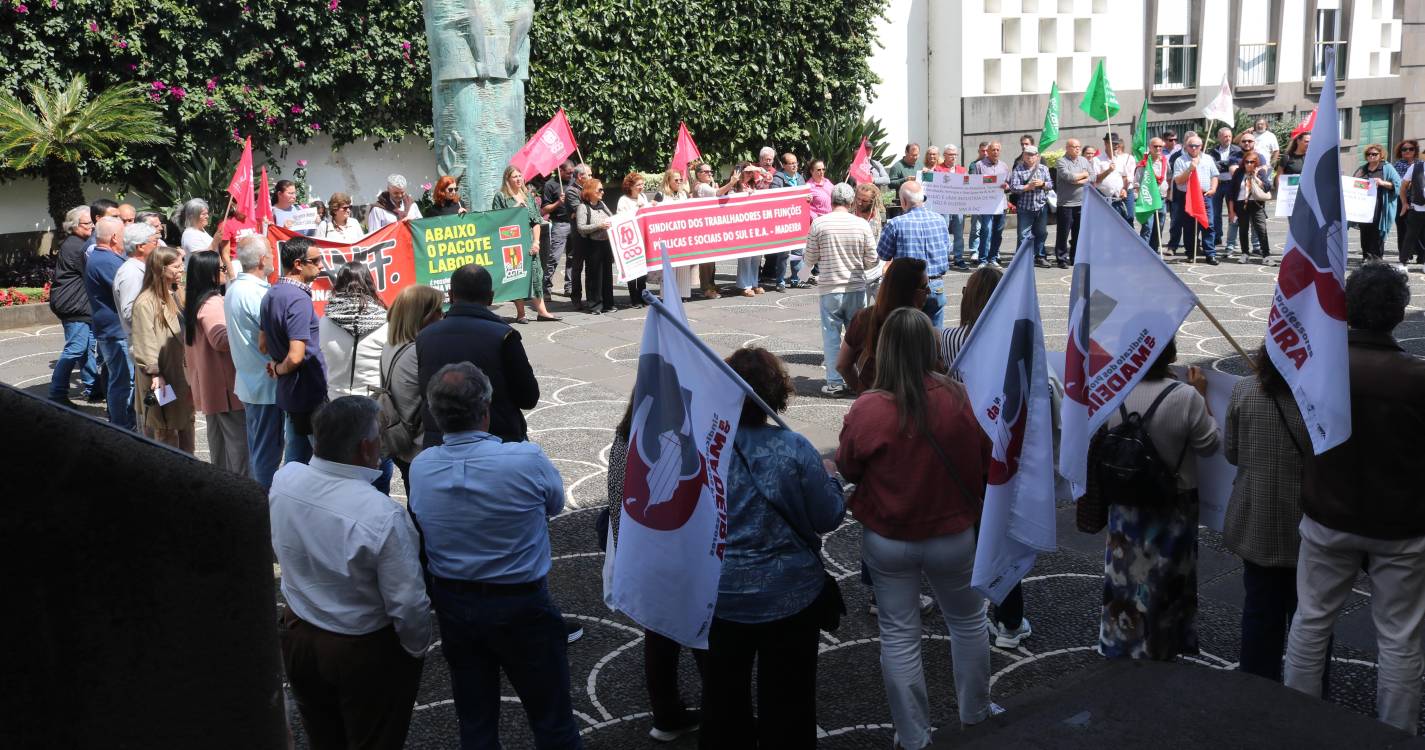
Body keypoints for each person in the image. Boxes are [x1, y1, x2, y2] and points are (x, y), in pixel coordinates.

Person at [837, 307, 995, 748]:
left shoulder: (869, 407)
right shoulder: (962, 398)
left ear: (885, 349)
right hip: (952, 533)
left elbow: (849, 466)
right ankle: (976, 712)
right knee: (968, 622)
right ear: (930, 346)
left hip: (888, 537)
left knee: (900, 635)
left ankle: (912, 737)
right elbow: (986, 462)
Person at [408, 363, 581, 749]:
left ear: (435, 414)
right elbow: (554, 505)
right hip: (522, 602)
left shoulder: (421, 467)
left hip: (454, 605)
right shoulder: (525, 459)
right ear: (485, 410)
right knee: (552, 718)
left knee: (476, 720)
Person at [1283, 264, 1425, 733]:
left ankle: (1294, 722)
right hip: (1401, 525)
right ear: (1401, 314)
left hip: (1329, 511)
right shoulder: (1415, 377)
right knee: (1400, 637)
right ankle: (1395, 733)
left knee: (1310, 621)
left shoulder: (1321, 368)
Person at [701, 347, 845, 749]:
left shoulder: (703, 450)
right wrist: (831, 477)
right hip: (791, 595)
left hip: (721, 595)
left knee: (724, 703)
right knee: (790, 703)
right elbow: (828, 516)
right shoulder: (794, 449)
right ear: (775, 392)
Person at [270, 396, 432, 749]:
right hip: (360, 649)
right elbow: (408, 604)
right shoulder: (382, 515)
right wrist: (413, 652)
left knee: (323, 737)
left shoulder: (285, 479)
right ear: (366, 447)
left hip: (298, 634)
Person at [1098, 338, 1220, 661]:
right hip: (1173, 506)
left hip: (1126, 506)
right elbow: (1210, 445)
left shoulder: (1112, 390)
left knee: (1125, 579)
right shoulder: (1186, 397)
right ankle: (1165, 648)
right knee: (1167, 583)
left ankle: (1123, 644)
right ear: (1171, 353)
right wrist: (1203, 397)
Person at [603, 399, 704, 742]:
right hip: (676, 555)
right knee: (703, 630)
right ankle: (722, 714)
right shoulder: (678, 445)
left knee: (660, 633)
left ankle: (666, 714)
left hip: (641, 554)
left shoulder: (624, 438)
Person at [1223, 345, 1311, 683]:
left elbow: (1231, 453)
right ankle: (1310, 696)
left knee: (1259, 610)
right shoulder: (1316, 400)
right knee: (1310, 617)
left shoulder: (1244, 390)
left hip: (1254, 518)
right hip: (1304, 526)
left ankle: (1256, 689)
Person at [415, 263, 539, 447]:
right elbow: (528, 397)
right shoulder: (504, 336)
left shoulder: (425, 336)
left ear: (450, 295)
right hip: (496, 441)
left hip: (441, 442)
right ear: (490, 298)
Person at [803, 183, 877, 397]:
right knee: (860, 338)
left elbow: (810, 258)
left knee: (831, 337)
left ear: (831, 200)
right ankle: (863, 379)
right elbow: (872, 260)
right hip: (856, 287)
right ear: (851, 201)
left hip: (829, 287)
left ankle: (835, 382)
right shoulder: (862, 225)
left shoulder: (819, 223)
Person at [259, 236, 328, 465]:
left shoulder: (271, 293)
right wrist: (279, 369)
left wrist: (278, 366)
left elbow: (263, 344)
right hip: (306, 391)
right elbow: (297, 356)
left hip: (292, 391)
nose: (322, 265)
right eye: (316, 260)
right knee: (322, 461)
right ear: (298, 264)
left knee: (297, 457)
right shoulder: (297, 299)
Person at [180, 250, 247, 474]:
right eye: (220, 268)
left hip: (212, 386)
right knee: (238, 448)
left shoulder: (197, 301)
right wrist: (247, 331)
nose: (225, 271)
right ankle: (240, 492)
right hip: (224, 388)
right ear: (208, 274)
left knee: (219, 446)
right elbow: (220, 339)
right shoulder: (212, 303)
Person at [225, 235, 285, 487]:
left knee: (259, 449)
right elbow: (275, 338)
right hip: (265, 384)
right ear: (262, 260)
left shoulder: (235, 288)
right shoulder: (256, 293)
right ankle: (263, 505)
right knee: (266, 454)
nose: (273, 257)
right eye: (270, 253)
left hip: (252, 382)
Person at [378, 284, 444, 495]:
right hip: (419, 445)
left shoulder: (391, 344)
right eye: (438, 310)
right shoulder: (420, 351)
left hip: (401, 441)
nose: (443, 316)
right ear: (423, 316)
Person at [130, 244, 196, 451]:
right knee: (165, 428)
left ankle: (190, 469)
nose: (181, 270)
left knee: (186, 422)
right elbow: (144, 341)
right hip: (161, 377)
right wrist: (155, 374)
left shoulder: (177, 293)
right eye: (176, 267)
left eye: (181, 265)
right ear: (161, 268)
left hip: (181, 373)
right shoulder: (146, 302)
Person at [837, 258, 931, 395]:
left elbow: (842, 365)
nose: (929, 291)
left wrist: (862, 390)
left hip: (871, 404)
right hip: (910, 405)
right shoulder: (919, 326)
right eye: (924, 287)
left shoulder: (862, 318)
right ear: (906, 291)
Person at [81, 216, 135, 429]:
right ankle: (123, 426)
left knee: (121, 380)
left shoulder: (104, 257)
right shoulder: (105, 260)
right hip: (115, 332)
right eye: (123, 235)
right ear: (114, 237)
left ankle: (123, 423)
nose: (125, 240)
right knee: (123, 382)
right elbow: (125, 288)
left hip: (112, 330)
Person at [876, 181, 949, 326]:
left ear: (903, 201)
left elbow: (883, 254)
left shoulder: (895, 224)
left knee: (908, 334)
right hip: (936, 284)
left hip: (908, 286)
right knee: (935, 336)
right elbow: (947, 249)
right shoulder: (940, 220)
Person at [494, 165, 559, 322]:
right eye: (514, 176)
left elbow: (536, 221)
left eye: (520, 176)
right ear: (507, 179)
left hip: (530, 242)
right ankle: (521, 313)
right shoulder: (501, 197)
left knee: (536, 274)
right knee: (516, 276)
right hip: (511, 244)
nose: (518, 179)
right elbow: (497, 220)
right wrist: (516, 208)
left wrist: (536, 242)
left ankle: (542, 312)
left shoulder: (528, 196)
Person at [48, 206, 98, 406]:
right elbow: (93, 273)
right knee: (76, 349)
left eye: (92, 223)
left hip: (76, 303)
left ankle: (92, 387)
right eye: (88, 223)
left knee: (86, 347)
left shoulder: (79, 243)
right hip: (73, 304)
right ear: (74, 226)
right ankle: (57, 394)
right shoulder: (77, 246)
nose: (92, 227)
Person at [320, 262, 388, 402]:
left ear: (338, 284)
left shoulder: (325, 321)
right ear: (369, 283)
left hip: (336, 399)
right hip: (373, 400)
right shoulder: (385, 321)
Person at [1172, 134, 1220, 264]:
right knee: (1189, 226)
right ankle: (1191, 253)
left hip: (1205, 195)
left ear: (1201, 146)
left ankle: (1210, 254)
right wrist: (1190, 168)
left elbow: (1214, 175)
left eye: (1196, 146)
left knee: (1208, 224)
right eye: (1191, 146)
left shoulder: (1208, 159)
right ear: (1186, 147)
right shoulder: (1180, 160)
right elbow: (1178, 180)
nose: (1194, 148)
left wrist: (1214, 188)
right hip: (1188, 196)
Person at [575, 177, 618, 314]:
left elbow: (612, 217)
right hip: (592, 245)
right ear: (591, 191)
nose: (602, 192)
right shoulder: (583, 207)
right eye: (600, 189)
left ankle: (608, 303)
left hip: (605, 244)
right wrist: (599, 225)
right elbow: (581, 228)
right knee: (594, 276)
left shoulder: (602, 204)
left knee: (607, 274)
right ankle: (595, 305)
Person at [113, 216, 161, 335]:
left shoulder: (141, 268)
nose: (158, 246)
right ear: (140, 246)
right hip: (144, 341)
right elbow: (130, 314)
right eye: (154, 242)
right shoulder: (131, 273)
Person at [1353, 143, 1401, 262]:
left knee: (1377, 232)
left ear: (1381, 155)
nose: (1371, 156)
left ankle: (1377, 259)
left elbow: (1397, 185)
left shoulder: (1387, 168)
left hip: (1380, 206)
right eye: (1369, 154)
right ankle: (1366, 257)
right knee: (1364, 232)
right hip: (1364, 206)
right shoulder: (1362, 169)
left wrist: (1382, 182)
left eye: (1374, 154)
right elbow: (1353, 183)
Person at [763, 153, 805, 290]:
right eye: (791, 163)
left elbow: (804, 195)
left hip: (798, 221)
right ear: (784, 165)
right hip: (784, 222)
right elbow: (775, 198)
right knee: (784, 254)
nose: (795, 166)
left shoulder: (800, 178)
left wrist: (807, 198)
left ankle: (795, 279)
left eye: (796, 163)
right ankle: (780, 281)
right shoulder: (778, 179)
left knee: (798, 253)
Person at [653, 167, 696, 298]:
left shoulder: (684, 194)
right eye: (675, 180)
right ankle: (667, 295)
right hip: (667, 235)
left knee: (683, 264)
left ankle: (683, 294)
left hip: (682, 234)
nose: (678, 182)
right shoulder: (661, 195)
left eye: (680, 180)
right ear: (668, 181)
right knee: (669, 266)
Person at [1227, 151, 1274, 265]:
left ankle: (1266, 255)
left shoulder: (1260, 172)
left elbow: (1267, 187)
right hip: (1241, 204)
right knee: (1243, 229)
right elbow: (1231, 193)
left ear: (1256, 162)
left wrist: (1255, 177)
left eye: (1252, 162)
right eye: (1247, 162)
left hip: (1256, 204)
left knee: (1261, 230)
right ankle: (1245, 254)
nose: (1249, 164)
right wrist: (1231, 211)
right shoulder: (1239, 172)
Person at [969, 141, 1011, 268]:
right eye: (993, 150)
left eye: (998, 150)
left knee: (998, 232)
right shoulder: (979, 165)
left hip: (1000, 205)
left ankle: (993, 258)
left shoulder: (1004, 166)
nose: (996, 152)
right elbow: (974, 183)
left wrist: (1007, 186)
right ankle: (982, 260)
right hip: (986, 204)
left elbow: (1010, 184)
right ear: (988, 151)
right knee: (986, 230)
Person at [725, 162, 764, 296]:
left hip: (754, 222)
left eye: (751, 172)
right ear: (739, 172)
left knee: (756, 256)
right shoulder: (734, 186)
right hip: (741, 224)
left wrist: (758, 169)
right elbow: (729, 201)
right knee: (745, 256)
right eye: (747, 172)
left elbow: (769, 177)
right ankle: (744, 285)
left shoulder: (754, 184)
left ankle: (754, 283)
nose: (749, 174)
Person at [1010, 145, 1052, 266]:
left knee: (1041, 232)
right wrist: (1027, 187)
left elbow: (1050, 184)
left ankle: (1039, 256)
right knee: (1023, 234)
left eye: (1032, 155)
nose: (1030, 157)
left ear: (1037, 156)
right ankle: (1022, 258)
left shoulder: (1043, 168)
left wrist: (1043, 183)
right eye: (1027, 154)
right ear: (1023, 156)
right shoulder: (1018, 169)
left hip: (1041, 206)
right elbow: (1013, 187)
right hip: (1025, 207)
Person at [542, 160, 578, 298]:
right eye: (568, 173)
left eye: (572, 173)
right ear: (560, 171)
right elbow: (544, 209)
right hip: (559, 224)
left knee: (573, 257)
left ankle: (569, 287)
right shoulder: (550, 185)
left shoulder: (575, 182)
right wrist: (559, 202)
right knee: (554, 258)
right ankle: (545, 288)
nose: (571, 175)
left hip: (574, 223)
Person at [1053, 139, 1091, 267]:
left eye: (1079, 147)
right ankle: (1061, 259)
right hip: (1066, 204)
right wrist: (1084, 175)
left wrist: (1081, 179)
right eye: (1074, 147)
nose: (1077, 149)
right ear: (1067, 148)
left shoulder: (1084, 161)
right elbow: (1069, 177)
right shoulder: (1061, 161)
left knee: (1078, 233)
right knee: (1063, 233)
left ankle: (1075, 257)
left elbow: (1093, 176)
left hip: (1081, 203)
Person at [1206, 127, 1243, 258]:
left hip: (1232, 184)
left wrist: (1223, 164)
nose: (1227, 138)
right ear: (1219, 137)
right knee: (1215, 213)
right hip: (1217, 184)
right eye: (1225, 136)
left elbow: (1237, 164)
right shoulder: (1212, 151)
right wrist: (1225, 164)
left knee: (1233, 212)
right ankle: (1217, 237)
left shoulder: (1237, 150)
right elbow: (1212, 166)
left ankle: (1233, 240)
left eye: (1229, 136)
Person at [616, 172, 651, 307]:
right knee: (632, 268)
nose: (641, 187)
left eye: (642, 184)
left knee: (642, 269)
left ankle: (642, 295)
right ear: (630, 186)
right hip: (630, 239)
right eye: (638, 185)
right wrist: (638, 210)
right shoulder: (623, 200)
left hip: (642, 236)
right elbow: (622, 218)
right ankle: (634, 298)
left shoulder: (642, 197)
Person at [689, 161, 722, 299]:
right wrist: (732, 182)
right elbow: (718, 193)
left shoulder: (703, 185)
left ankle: (710, 284)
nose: (710, 174)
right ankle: (707, 288)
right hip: (703, 227)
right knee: (707, 259)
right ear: (698, 174)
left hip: (707, 225)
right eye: (706, 172)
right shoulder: (701, 186)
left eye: (710, 171)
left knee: (710, 258)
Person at [1137, 137, 1171, 250]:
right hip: (1148, 199)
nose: (1158, 148)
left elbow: (1169, 178)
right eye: (1155, 146)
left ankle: (1154, 250)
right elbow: (1137, 182)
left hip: (1161, 198)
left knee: (1159, 226)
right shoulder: (1144, 164)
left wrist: (1169, 192)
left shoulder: (1165, 162)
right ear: (1150, 147)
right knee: (1148, 227)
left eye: (1160, 146)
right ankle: (1144, 252)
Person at [1095, 133, 1135, 226]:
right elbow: (1096, 180)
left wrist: (1124, 189)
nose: (1116, 146)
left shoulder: (1121, 159)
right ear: (1105, 143)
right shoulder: (1097, 160)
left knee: (1127, 222)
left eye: (1117, 143)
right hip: (1105, 198)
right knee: (1108, 225)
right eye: (1113, 143)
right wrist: (1108, 171)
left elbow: (1125, 177)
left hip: (1119, 198)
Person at [940, 145, 969, 270]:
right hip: (944, 207)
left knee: (959, 234)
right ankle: (944, 257)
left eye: (955, 154)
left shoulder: (962, 170)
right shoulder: (938, 169)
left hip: (958, 206)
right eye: (950, 154)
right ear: (945, 155)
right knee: (943, 233)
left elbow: (968, 184)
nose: (953, 157)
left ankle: (959, 258)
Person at [1393, 139, 1419, 261]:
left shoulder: (1420, 164)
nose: (1407, 151)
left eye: (1410, 149)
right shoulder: (1398, 164)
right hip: (1402, 198)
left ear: (1415, 151)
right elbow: (1399, 183)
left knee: (1419, 228)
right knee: (1402, 227)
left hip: (1418, 200)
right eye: (1404, 149)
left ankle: (1421, 254)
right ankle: (1404, 254)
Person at [1404, 147, 1425, 267]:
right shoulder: (1416, 168)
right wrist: (1405, 204)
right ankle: (1403, 262)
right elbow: (1403, 187)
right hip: (1417, 208)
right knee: (1410, 236)